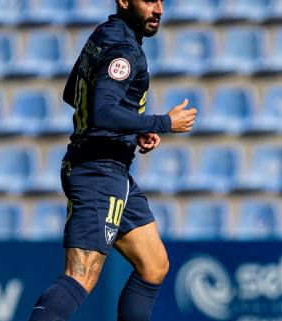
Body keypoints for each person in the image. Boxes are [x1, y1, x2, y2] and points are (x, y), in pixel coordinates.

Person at [27, 0, 197, 320]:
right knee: (80, 276)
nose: (159, 9)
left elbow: (72, 92)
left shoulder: (103, 33)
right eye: (149, 1)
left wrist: (133, 131)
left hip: (111, 168)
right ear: (123, 0)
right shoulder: (124, 48)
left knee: (154, 265)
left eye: (162, 0)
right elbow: (103, 110)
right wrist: (162, 123)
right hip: (98, 173)